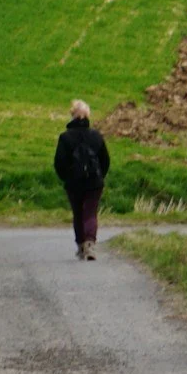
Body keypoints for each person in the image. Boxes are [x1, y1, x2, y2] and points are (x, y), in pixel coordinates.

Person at [52, 98, 111, 261]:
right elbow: (105, 160)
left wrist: (66, 178)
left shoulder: (65, 137)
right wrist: (100, 176)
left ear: (72, 115)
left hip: (73, 183)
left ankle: (80, 245)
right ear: (88, 115)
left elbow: (59, 162)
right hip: (94, 182)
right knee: (90, 213)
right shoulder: (96, 136)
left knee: (78, 213)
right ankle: (90, 243)